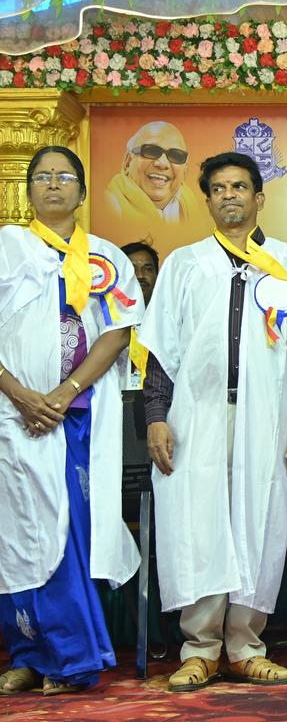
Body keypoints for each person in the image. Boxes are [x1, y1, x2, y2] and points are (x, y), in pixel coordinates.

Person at [138, 151, 287, 692]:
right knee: (197, 525)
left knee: (258, 523)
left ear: (260, 198)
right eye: (219, 188)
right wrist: (156, 417)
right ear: (209, 200)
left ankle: (245, 646)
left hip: (268, 418)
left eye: (240, 186)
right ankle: (200, 648)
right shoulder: (185, 264)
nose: (230, 195)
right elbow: (160, 350)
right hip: (198, 418)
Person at [0, 147, 143, 696]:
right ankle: (28, 653)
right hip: (13, 417)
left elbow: (118, 330)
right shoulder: (8, 247)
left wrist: (63, 393)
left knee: (68, 535)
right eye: (42, 177)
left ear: (82, 191)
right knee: (16, 535)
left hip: (79, 418)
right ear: (28, 190)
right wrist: (20, 395)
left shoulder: (107, 256)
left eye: (64, 177)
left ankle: (74, 659)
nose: (53, 185)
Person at [99, 122, 206, 254]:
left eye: (176, 155)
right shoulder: (109, 203)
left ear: (185, 171)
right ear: (127, 162)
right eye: (151, 151)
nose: (162, 164)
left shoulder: (193, 208)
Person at [120, 242, 159, 388]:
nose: (140, 276)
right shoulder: (107, 322)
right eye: (132, 269)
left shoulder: (169, 322)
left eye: (148, 269)